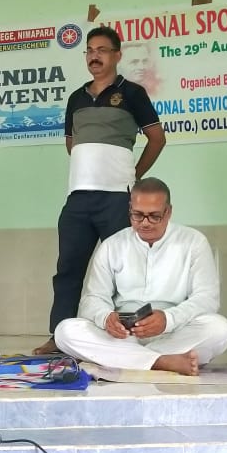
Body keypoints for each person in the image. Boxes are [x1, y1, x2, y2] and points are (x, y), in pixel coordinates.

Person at [39, 26, 165, 353]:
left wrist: (134, 175)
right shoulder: (76, 98)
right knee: (68, 269)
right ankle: (59, 336)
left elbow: (157, 138)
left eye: (102, 50)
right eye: (90, 50)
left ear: (117, 55)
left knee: (123, 270)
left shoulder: (133, 93)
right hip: (78, 197)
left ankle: (130, 335)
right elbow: (72, 144)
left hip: (117, 198)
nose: (94, 56)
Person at [54, 178, 227, 375]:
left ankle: (126, 358)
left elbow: (207, 299)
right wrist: (105, 318)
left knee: (219, 329)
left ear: (168, 212)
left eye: (154, 216)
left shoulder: (193, 242)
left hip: (173, 332)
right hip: (123, 336)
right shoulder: (112, 245)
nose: (145, 223)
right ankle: (161, 361)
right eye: (137, 215)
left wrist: (168, 320)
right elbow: (93, 298)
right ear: (129, 209)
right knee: (65, 331)